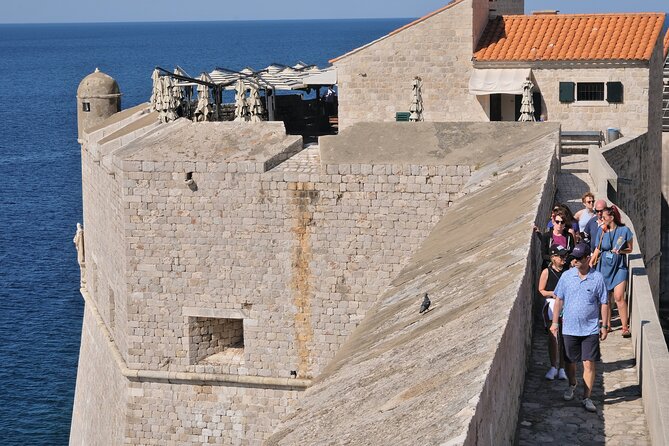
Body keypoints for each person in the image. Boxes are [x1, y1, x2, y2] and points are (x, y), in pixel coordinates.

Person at [551, 243, 609, 413]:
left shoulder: (597, 278)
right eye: (573, 258)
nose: (574, 261)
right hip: (569, 327)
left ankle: (587, 397)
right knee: (570, 362)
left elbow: (604, 302)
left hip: (590, 328)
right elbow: (559, 300)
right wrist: (555, 323)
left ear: (587, 258)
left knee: (589, 364)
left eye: (578, 258)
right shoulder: (567, 277)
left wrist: (604, 325)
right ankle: (572, 384)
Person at [591, 206, 634, 337]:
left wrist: (620, 251)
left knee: (619, 297)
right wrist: (591, 263)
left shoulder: (624, 230)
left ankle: (625, 327)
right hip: (604, 267)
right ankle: (607, 325)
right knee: (606, 298)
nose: (601, 219)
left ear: (612, 217)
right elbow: (597, 249)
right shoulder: (601, 231)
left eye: (604, 217)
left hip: (619, 267)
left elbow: (630, 249)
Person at [538, 245, 568, 380]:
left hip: (566, 306)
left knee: (564, 337)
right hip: (551, 305)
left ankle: (562, 368)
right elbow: (541, 290)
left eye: (564, 256)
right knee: (553, 336)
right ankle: (553, 366)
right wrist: (554, 294)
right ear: (553, 257)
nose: (563, 259)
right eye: (561, 256)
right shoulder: (547, 272)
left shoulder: (568, 271)